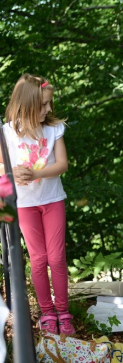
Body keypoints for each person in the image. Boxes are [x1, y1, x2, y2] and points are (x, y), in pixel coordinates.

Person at [1, 74, 75, 335]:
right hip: (25, 204)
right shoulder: (7, 132)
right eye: (43, 104)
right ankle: (47, 313)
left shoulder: (54, 129)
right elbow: (1, 167)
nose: (48, 109)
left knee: (56, 258)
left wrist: (35, 173)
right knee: (38, 258)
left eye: (49, 103)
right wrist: (12, 173)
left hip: (52, 200)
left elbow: (62, 164)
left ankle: (63, 311)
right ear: (27, 103)